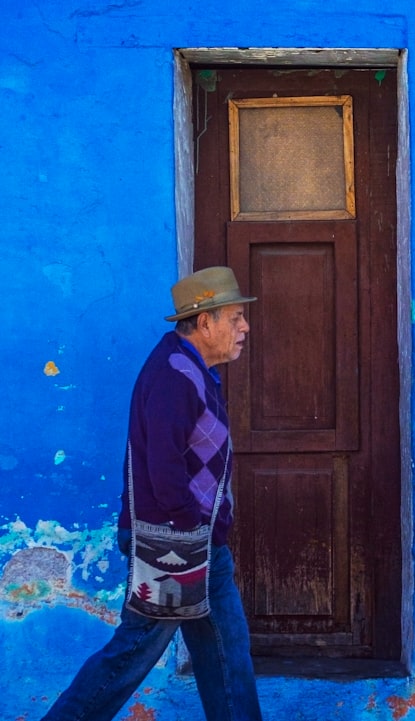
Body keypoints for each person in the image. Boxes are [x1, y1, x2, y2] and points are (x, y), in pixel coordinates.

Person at [43, 266, 264, 721]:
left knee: (226, 656)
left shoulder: (187, 368)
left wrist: (202, 535)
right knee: (132, 654)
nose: (245, 327)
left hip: (196, 545)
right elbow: (164, 467)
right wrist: (189, 529)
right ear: (205, 323)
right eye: (235, 318)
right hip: (172, 543)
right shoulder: (174, 376)